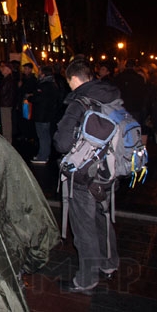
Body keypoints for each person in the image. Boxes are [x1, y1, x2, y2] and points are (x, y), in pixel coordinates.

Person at [53, 57, 120, 294]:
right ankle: (109, 264)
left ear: (73, 78)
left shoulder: (79, 101)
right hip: (109, 171)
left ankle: (86, 279)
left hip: (84, 175)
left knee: (84, 227)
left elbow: (62, 144)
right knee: (103, 218)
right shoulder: (112, 95)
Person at [27, 65, 59, 164]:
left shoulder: (44, 85)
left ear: (43, 74)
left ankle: (43, 156)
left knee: (42, 136)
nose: (38, 74)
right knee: (45, 136)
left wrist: (30, 98)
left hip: (42, 114)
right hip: (48, 114)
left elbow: (39, 98)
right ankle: (44, 154)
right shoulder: (53, 84)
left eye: (39, 72)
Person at [0, 62, 16, 143]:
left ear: (8, 70)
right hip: (6, 103)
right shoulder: (7, 79)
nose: (2, 70)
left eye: (4, 69)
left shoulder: (8, 80)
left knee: (6, 123)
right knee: (6, 122)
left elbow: (3, 92)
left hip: (6, 104)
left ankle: (7, 140)